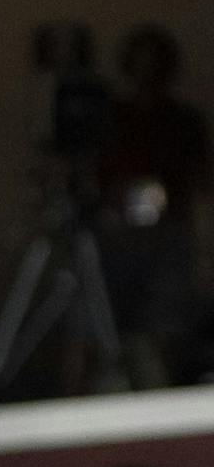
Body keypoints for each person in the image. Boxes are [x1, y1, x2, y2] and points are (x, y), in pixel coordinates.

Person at [96, 26, 213, 387]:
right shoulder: (113, 119)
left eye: (156, 65)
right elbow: (99, 176)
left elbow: (200, 181)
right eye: (141, 65)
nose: (148, 74)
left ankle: (160, 394)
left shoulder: (182, 121)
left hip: (170, 237)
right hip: (116, 236)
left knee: (165, 325)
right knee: (106, 325)